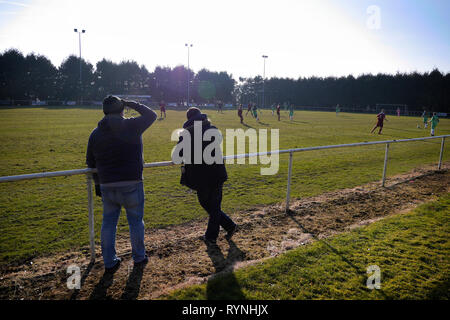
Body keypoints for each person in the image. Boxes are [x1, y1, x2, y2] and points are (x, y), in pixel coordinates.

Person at [86, 95, 157, 272]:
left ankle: (110, 262)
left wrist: (97, 185)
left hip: (107, 184)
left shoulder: (95, 133)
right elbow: (151, 115)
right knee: (135, 222)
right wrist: (131, 103)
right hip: (132, 182)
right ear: (122, 109)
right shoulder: (132, 125)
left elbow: (90, 163)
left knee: (108, 223)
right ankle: (139, 257)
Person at [175, 107, 237, 245]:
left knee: (208, 205)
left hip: (200, 176)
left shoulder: (187, 134)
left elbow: (178, 156)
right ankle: (229, 226)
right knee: (214, 205)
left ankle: (211, 237)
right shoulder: (213, 130)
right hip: (216, 173)